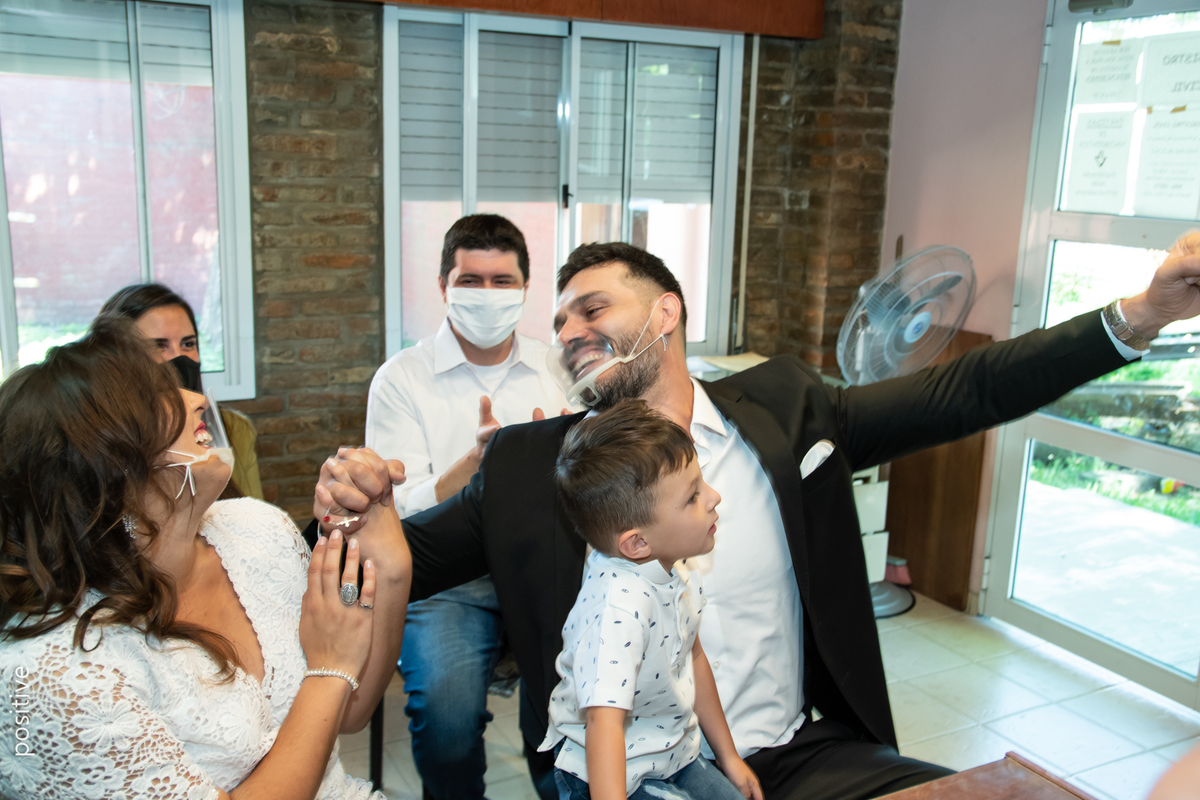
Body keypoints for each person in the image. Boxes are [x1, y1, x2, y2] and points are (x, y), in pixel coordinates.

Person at [314, 232, 1200, 800]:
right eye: (562, 320)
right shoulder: (527, 467)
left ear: (666, 313)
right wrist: (349, 512)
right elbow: (404, 559)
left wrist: (1144, 312)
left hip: (804, 753)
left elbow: (960, 389)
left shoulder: (786, 407)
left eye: (593, 307)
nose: (572, 330)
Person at [0, 317, 411, 799]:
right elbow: (333, 677)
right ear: (105, 465)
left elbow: (352, 709)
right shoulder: (44, 676)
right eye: (156, 397)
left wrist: (387, 555)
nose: (196, 398)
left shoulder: (257, 529)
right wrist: (327, 670)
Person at [365, 214, 568, 800]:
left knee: (568, 721)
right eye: (470, 280)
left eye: (502, 281)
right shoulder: (401, 379)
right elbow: (395, 511)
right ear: (442, 286)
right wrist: (478, 470)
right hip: (450, 583)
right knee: (449, 730)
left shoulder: (558, 368)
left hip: (543, 570)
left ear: (526, 289)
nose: (487, 294)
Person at [541, 400, 761, 800]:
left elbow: (692, 657)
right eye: (692, 497)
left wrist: (729, 757)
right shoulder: (617, 612)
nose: (713, 498)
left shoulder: (677, 570)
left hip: (673, 753)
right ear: (637, 543)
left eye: (702, 482)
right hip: (609, 775)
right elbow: (603, 724)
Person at [100, 283, 264, 500]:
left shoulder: (233, 429)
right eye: (158, 345)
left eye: (188, 344)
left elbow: (255, 517)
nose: (178, 358)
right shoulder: (102, 439)